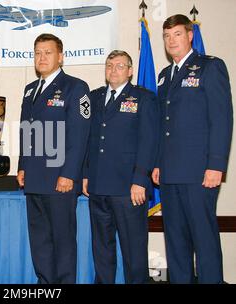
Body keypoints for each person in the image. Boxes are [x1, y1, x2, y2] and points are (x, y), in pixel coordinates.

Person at [152, 14, 233, 284]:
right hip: (170, 173)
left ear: (189, 36)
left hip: (200, 173)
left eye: (176, 34)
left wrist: (216, 165)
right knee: (175, 242)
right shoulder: (165, 76)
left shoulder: (210, 67)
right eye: (166, 36)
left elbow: (222, 119)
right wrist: (158, 163)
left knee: (204, 240)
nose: (171, 40)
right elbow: (163, 126)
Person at [17, 33, 91, 284]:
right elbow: (26, 132)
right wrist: (22, 166)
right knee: (40, 241)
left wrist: (69, 173)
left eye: (48, 52)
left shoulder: (76, 87)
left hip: (61, 178)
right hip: (34, 179)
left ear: (60, 56)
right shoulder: (30, 91)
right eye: (38, 52)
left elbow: (79, 136)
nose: (42, 57)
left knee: (63, 241)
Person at [82, 50, 159, 284]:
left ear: (130, 70)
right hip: (98, 184)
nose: (113, 70)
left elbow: (149, 141)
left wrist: (140, 179)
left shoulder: (143, 98)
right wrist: (86, 174)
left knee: (133, 250)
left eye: (119, 66)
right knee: (102, 249)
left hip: (128, 188)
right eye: (109, 65)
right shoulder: (94, 98)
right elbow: (88, 139)